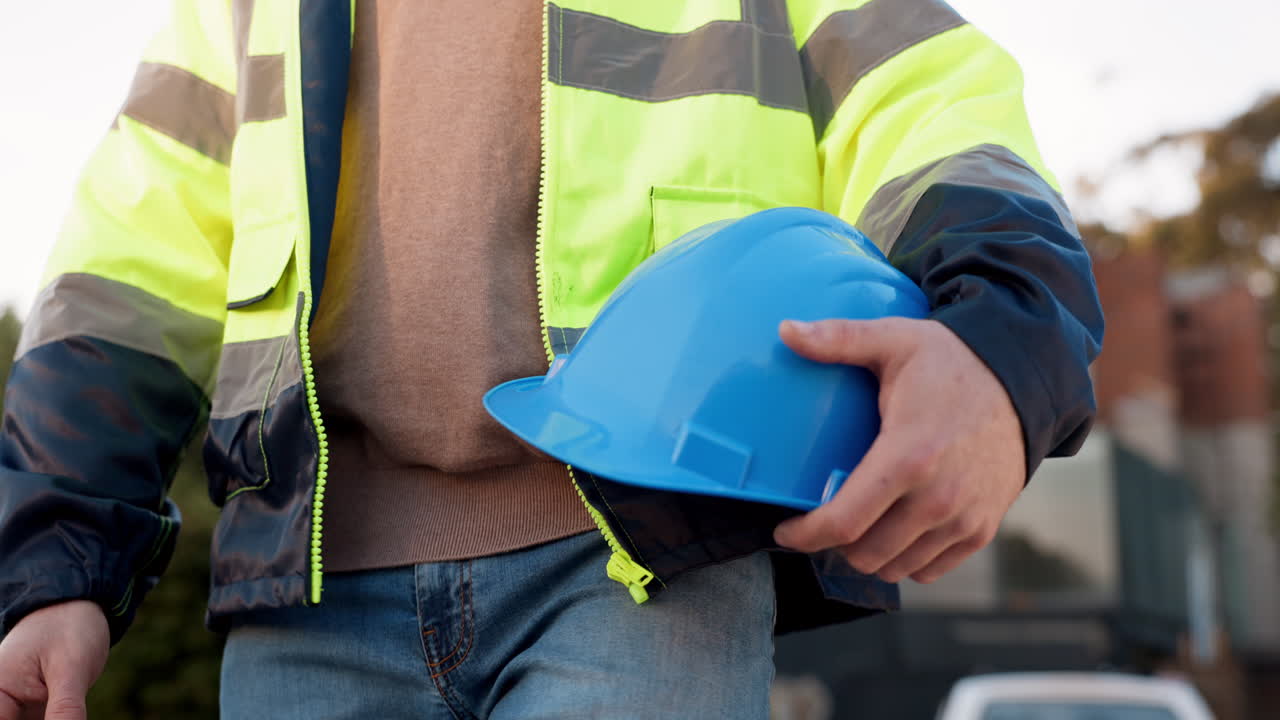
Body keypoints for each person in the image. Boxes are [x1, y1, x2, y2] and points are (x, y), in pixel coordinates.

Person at [0, 0, 1103, 718]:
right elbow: (131, 269)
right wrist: (53, 562)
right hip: (315, 594)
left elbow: (935, 114)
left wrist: (997, 347)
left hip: (642, 560)